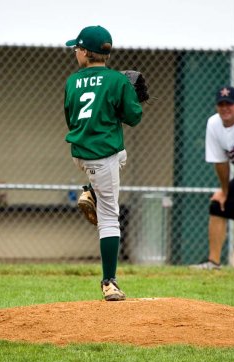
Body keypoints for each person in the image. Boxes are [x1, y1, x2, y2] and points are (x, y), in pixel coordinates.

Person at [64, 25, 143, 300]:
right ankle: (109, 282)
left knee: (121, 156)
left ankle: (91, 189)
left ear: (86, 52)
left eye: (77, 49)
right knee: (109, 219)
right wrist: (132, 97)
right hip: (102, 157)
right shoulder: (117, 81)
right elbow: (133, 118)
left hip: (80, 153)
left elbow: (71, 118)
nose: (76, 53)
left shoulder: (72, 82)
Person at [192, 85, 234, 270]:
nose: (225, 108)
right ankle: (213, 262)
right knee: (218, 205)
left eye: (230, 104)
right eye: (221, 104)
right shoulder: (214, 124)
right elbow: (221, 163)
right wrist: (225, 192)